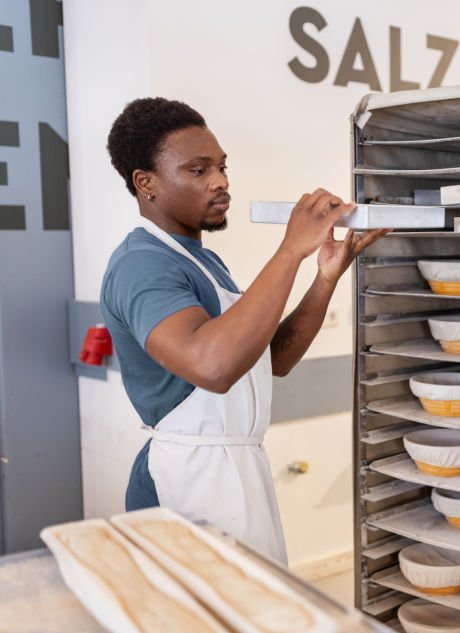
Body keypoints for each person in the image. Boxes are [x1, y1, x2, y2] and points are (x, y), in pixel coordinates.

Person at [101, 97, 388, 563]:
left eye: (221, 167)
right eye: (198, 171)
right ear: (145, 182)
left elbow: (270, 360)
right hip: (186, 480)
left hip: (237, 469)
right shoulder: (142, 265)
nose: (221, 182)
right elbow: (212, 367)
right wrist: (290, 250)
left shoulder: (201, 260)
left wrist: (324, 278)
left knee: (255, 620)